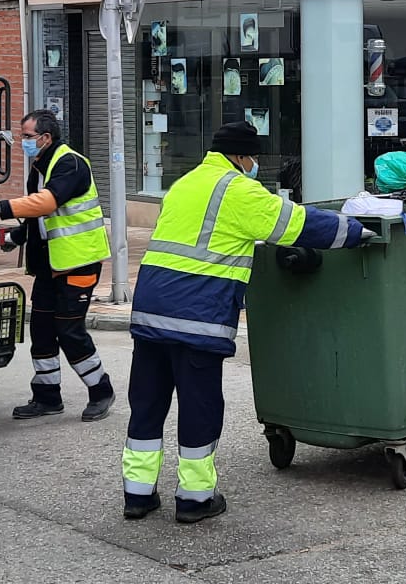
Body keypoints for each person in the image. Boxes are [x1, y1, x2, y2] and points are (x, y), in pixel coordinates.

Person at [122, 121, 365, 524]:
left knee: (147, 403)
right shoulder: (238, 190)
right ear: (239, 156)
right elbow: (298, 225)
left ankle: (137, 494)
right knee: (200, 406)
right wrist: (356, 231)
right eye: (253, 157)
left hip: (151, 312)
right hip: (196, 317)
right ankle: (195, 498)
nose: (255, 165)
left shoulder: (184, 184)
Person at [0, 110, 115, 422]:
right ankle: (47, 397)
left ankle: (101, 390)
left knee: (70, 331)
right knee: (41, 330)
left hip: (78, 262)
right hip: (51, 265)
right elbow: (40, 218)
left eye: (27, 137)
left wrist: (3, 207)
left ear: (45, 138)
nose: (23, 142)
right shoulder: (39, 166)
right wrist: (17, 235)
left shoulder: (70, 163)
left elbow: (48, 203)